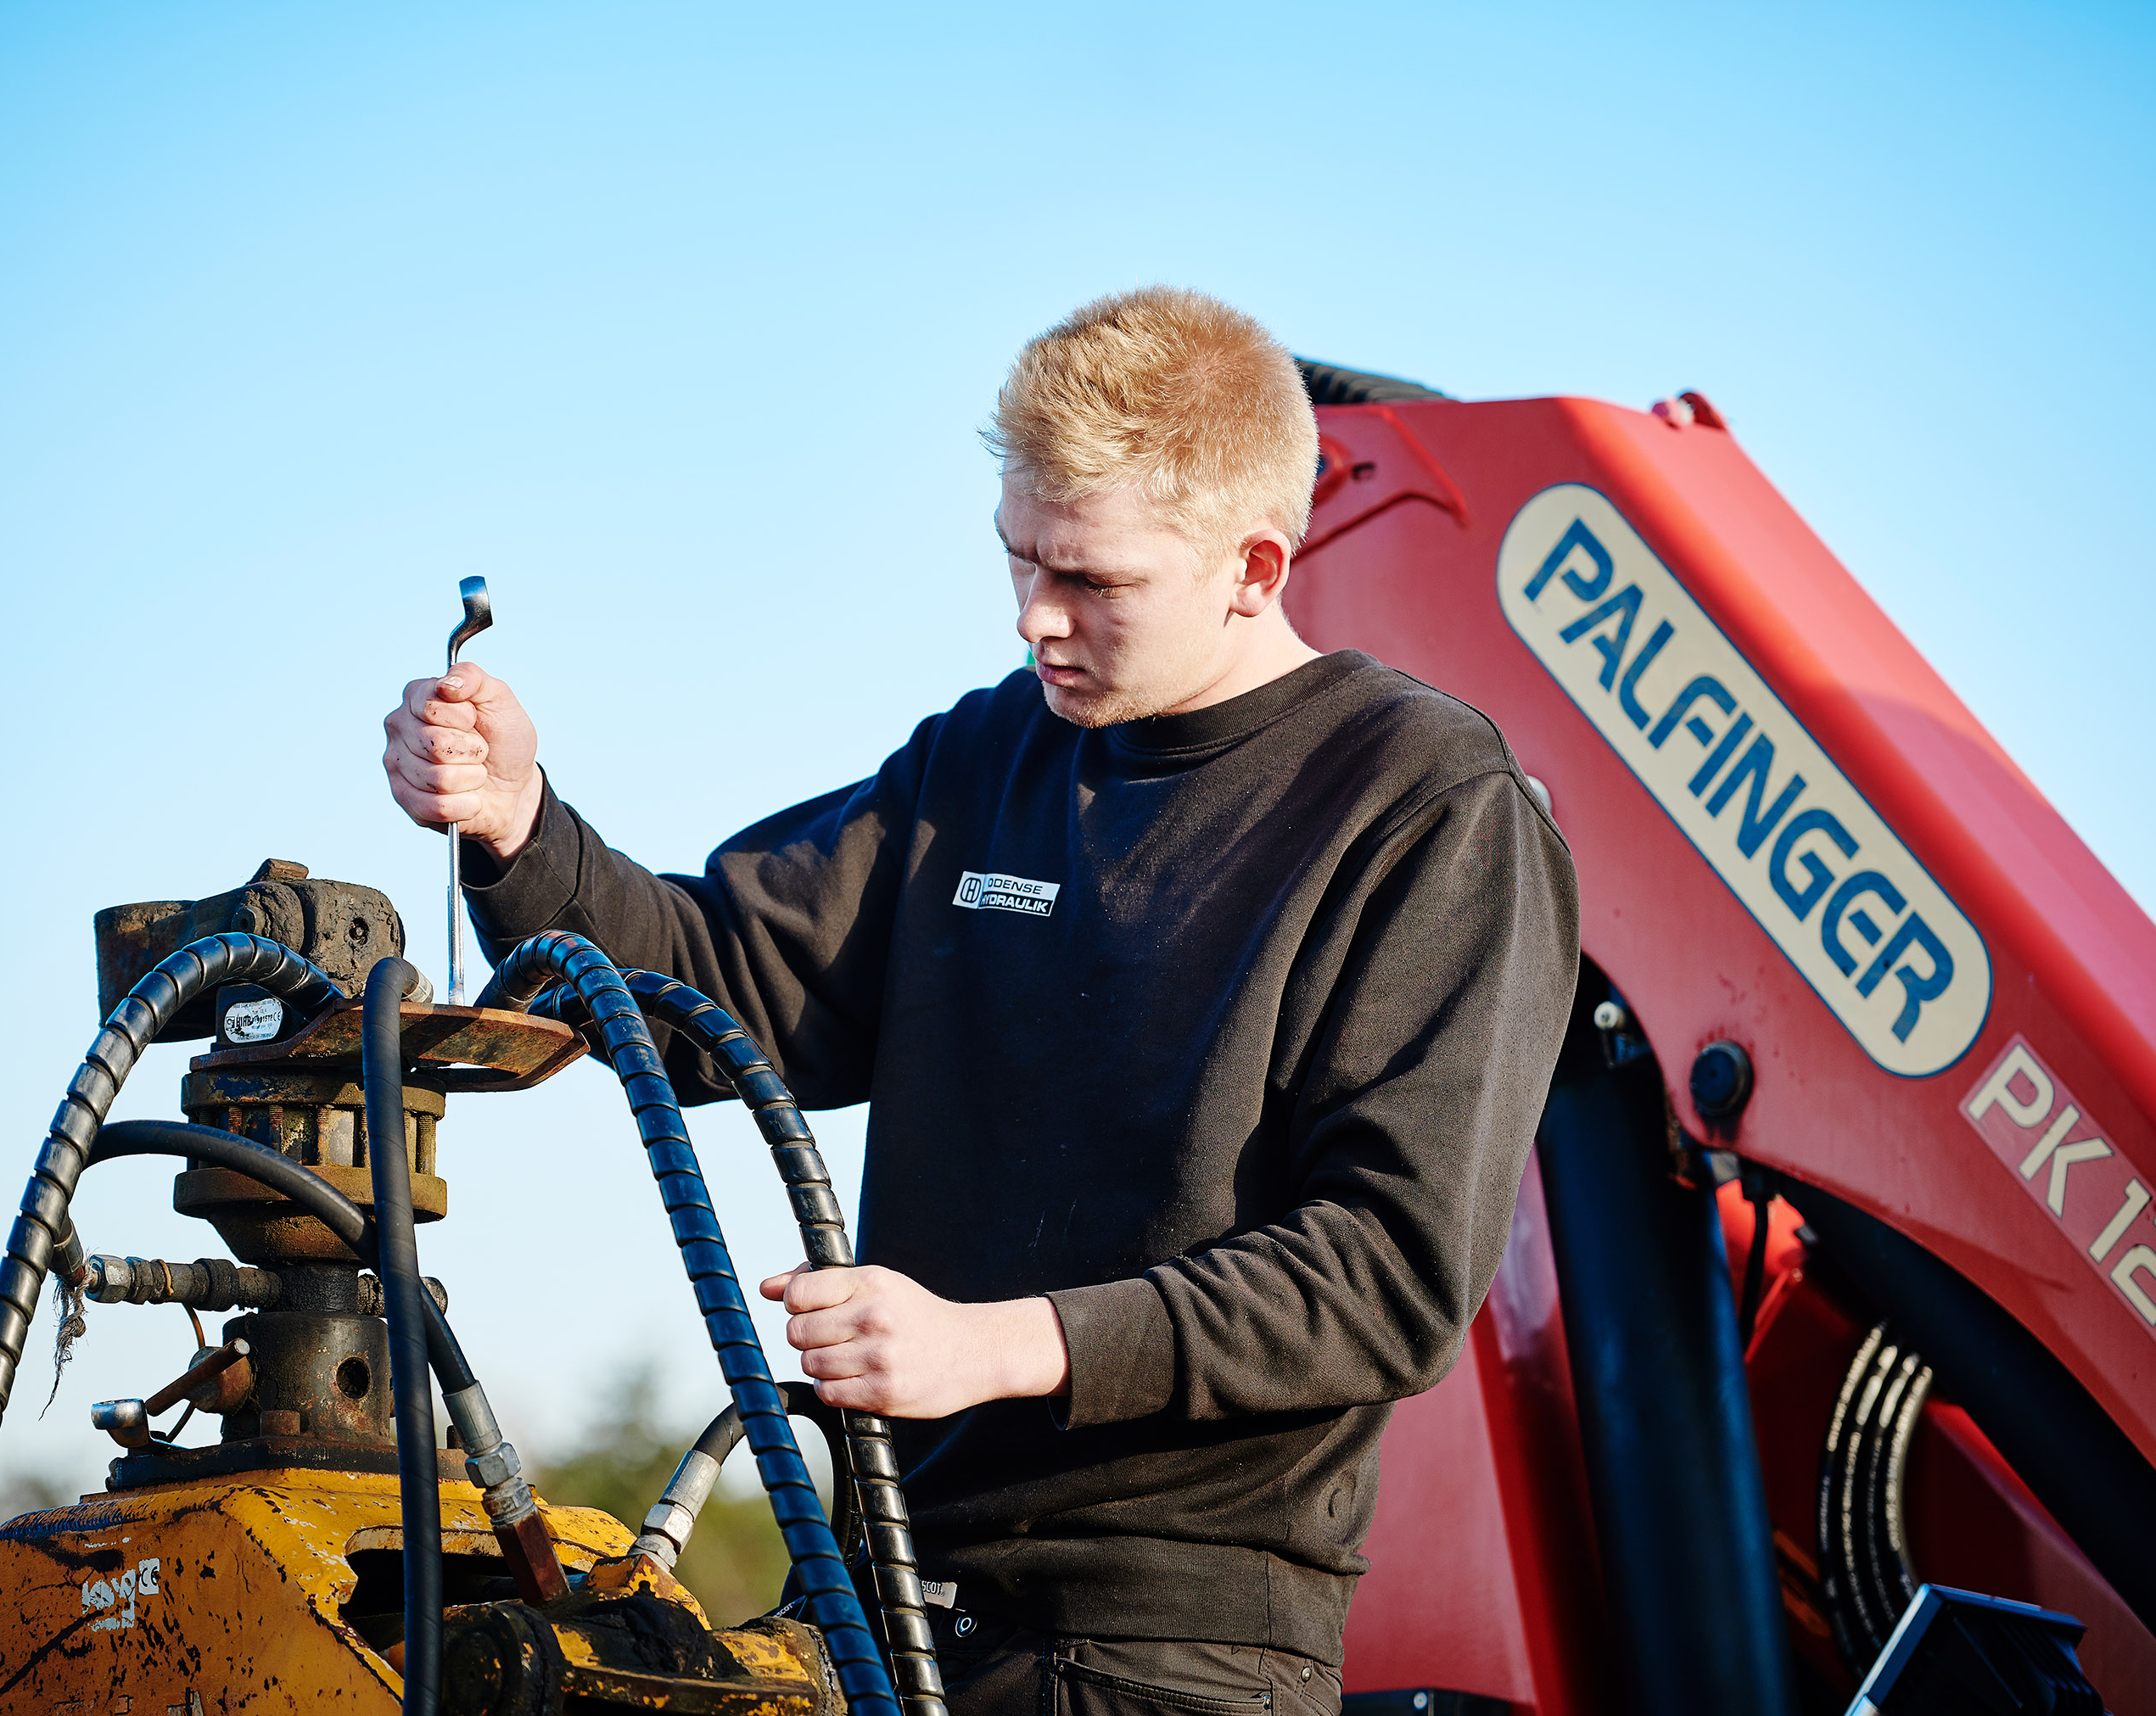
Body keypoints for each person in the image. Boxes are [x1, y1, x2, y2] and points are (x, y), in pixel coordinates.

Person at [383, 286, 1581, 1716]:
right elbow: (724, 981)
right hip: (875, 1608)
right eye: (1017, 559)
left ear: (1256, 565)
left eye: (1091, 582)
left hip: (1163, 1657)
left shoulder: (1426, 807)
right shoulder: (986, 758)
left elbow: (1389, 1273)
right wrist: (525, 828)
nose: (1035, 619)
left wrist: (992, 1344)